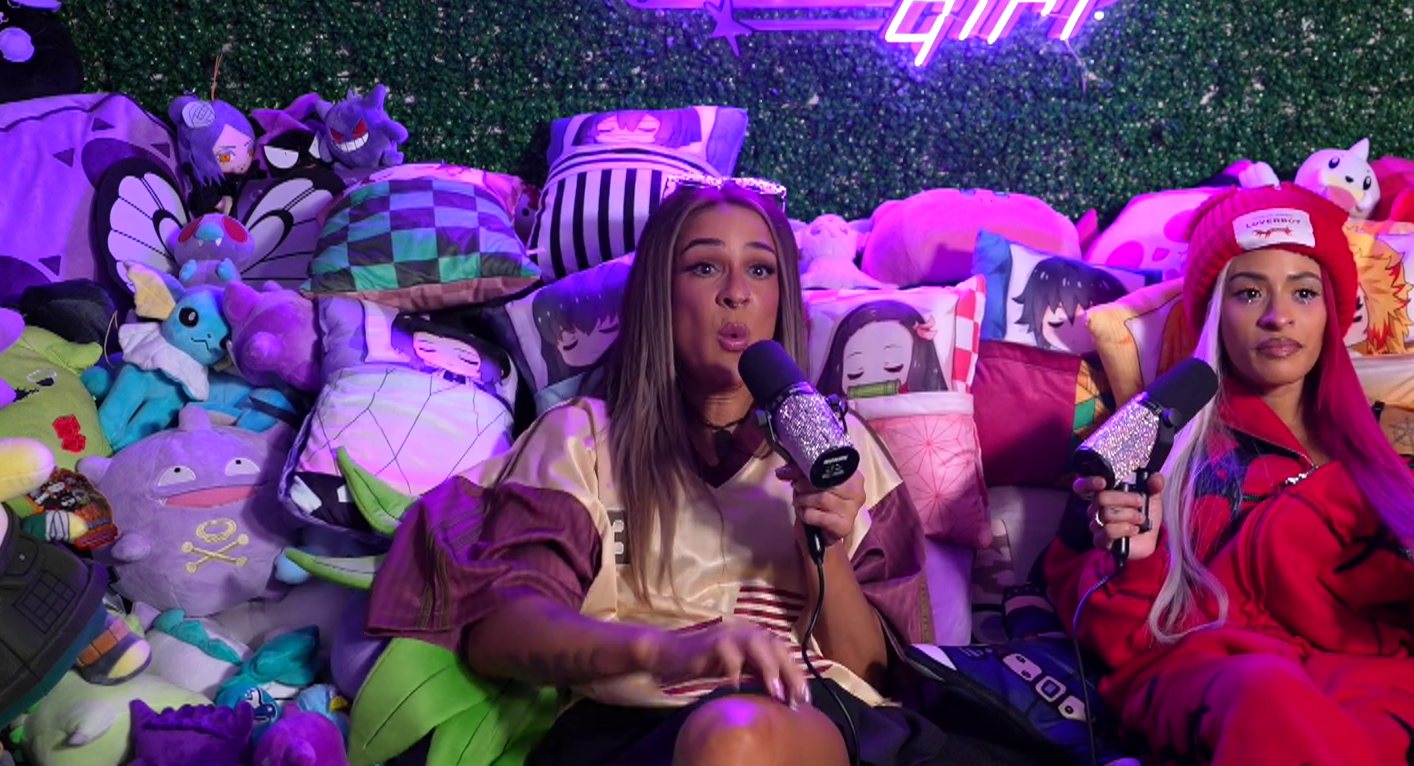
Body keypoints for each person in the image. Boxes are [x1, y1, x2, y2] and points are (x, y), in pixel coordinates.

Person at [368, 179, 1029, 766]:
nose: (737, 293)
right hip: (635, 726)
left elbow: (873, 679)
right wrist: (665, 652)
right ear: (661, 294)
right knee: (731, 738)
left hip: (825, 723)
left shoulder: (839, 442)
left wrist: (822, 547)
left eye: (761, 270)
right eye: (706, 266)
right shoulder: (582, 440)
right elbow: (501, 634)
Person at [1046, 183, 1414, 766]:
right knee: (1266, 694)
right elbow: (1113, 637)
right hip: (1223, 684)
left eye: (1303, 292)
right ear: (1215, 313)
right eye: (1249, 292)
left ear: (1331, 312)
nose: (1278, 316)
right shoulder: (1153, 441)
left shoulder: (1397, 441)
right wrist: (1136, 559)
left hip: (1381, 690)